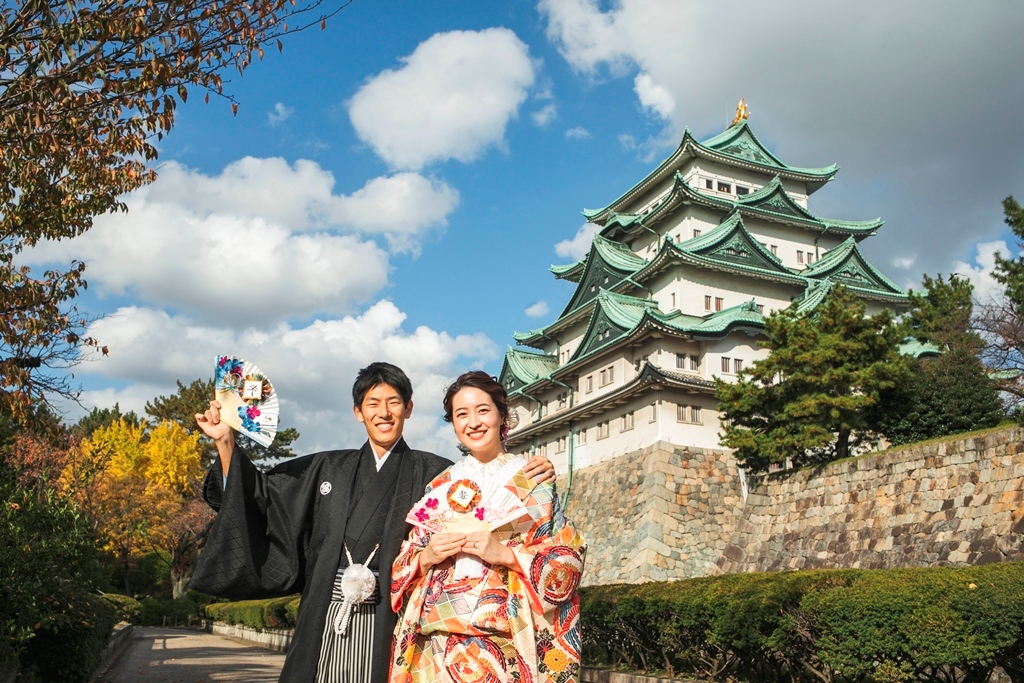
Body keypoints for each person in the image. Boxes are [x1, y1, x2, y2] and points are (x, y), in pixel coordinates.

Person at [189, 362, 555, 683]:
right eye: (373, 404)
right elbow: (260, 497)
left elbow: (491, 491)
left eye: (394, 402)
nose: (384, 412)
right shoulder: (325, 468)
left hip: (390, 618)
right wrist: (225, 443)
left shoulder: (440, 475)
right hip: (326, 612)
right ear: (357, 412)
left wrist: (528, 472)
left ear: (408, 409)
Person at [390, 371, 585, 683]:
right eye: (461, 414)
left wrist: (507, 556)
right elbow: (402, 562)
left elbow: (567, 560)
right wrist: (426, 556)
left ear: (502, 415)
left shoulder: (533, 481)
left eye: (483, 410)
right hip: (438, 644)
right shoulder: (441, 486)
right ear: (453, 423)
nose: (473, 422)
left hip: (507, 640)